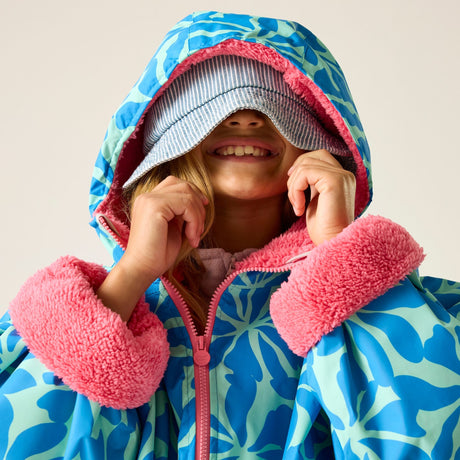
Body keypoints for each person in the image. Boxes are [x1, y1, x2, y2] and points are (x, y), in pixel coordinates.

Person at [1, 10, 459, 460]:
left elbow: (430, 439)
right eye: (211, 98)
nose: (246, 116)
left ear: (324, 134)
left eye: (277, 101)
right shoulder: (87, 315)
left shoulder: (433, 317)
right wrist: (131, 276)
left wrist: (343, 262)